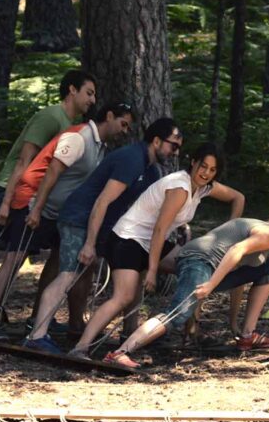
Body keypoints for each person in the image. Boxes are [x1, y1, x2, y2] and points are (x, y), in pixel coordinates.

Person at [0, 70, 97, 329]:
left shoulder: (72, 127)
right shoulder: (49, 117)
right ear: (72, 90)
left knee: (14, 257)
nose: (92, 100)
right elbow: (23, 161)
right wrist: (6, 201)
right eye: (89, 93)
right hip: (13, 191)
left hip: (32, 198)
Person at [69, 142, 246, 359]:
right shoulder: (180, 187)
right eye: (203, 166)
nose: (206, 173)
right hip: (128, 239)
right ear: (193, 162)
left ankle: (190, 332)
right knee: (124, 296)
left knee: (196, 266)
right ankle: (80, 347)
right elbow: (160, 229)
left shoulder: (203, 187)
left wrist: (227, 235)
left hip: (150, 243)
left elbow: (238, 197)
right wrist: (152, 270)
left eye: (212, 170)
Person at [0, 102, 134, 340]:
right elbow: (51, 172)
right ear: (109, 116)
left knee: (59, 260)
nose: (125, 130)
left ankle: (37, 319)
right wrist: (36, 209)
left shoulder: (99, 146)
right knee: (14, 260)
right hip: (32, 202)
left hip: (59, 212)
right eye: (123, 124)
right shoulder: (79, 137)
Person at [22, 118, 181, 352]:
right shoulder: (132, 159)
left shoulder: (151, 169)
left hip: (103, 227)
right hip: (78, 219)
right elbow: (102, 201)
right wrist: (89, 243)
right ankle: (37, 336)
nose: (175, 152)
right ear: (156, 141)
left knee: (132, 269)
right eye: (173, 146)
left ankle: (129, 333)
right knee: (68, 274)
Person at [106, 207, 269, 368]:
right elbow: (235, 250)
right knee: (178, 313)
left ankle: (248, 335)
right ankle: (121, 352)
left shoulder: (262, 243)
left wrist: (234, 325)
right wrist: (210, 285)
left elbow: (239, 280)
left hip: (206, 263)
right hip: (199, 261)